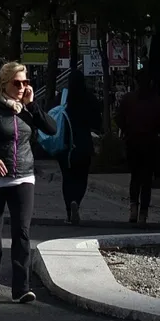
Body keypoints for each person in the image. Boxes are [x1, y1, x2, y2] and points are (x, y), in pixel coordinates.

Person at [0, 61, 57, 304]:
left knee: (22, 231)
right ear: (4, 84)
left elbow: (51, 129)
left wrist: (32, 106)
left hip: (23, 176)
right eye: (17, 83)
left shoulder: (26, 110)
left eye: (25, 82)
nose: (22, 87)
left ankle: (21, 288)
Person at [116, 76, 160, 225]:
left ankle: (133, 208)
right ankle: (143, 213)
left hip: (132, 142)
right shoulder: (156, 102)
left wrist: (127, 129)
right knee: (146, 180)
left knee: (135, 177)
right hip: (150, 143)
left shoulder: (128, 99)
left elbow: (119, 118)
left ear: (136, 83)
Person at [56, 75, 101, 224]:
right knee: (82, 177)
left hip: (65, 144)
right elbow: (97, 121)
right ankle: (77, 200)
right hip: (84, 144)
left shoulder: (63, 98)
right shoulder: (89, 98)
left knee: (67, 178)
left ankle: (69, 210)